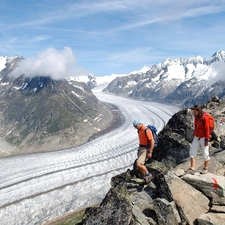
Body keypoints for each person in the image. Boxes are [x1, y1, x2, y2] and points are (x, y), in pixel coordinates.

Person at [186, 105, 210, 175]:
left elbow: (207, 129)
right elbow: (196, 126)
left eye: (195, 112)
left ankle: (206, 168)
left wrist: (206, 140)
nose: (194, 113)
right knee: (192, 152)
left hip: (203, 138)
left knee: (205, 153)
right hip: (197, 137)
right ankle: (192, 168)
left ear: (198, 111)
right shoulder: (196, 118)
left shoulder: (204, 118)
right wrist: (195, 133)